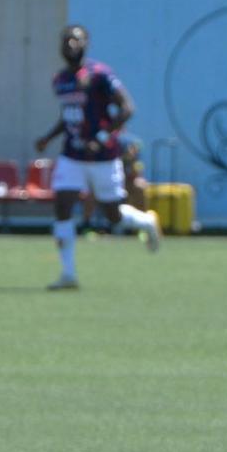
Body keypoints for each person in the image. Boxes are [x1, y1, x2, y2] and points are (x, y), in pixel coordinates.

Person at [33, 24, 160, 290]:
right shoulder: (60, 79)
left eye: (76, 40)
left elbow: (127, 108)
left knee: (113, 215)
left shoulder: (100, 74)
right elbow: (69, 116)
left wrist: (101, 138)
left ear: (86, 44)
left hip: (102, 157)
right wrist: (48, 137)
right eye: (66, 40)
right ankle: (68, 274)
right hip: (72, 155)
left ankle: (146, 222)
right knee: (63, 205)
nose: (71, 45)